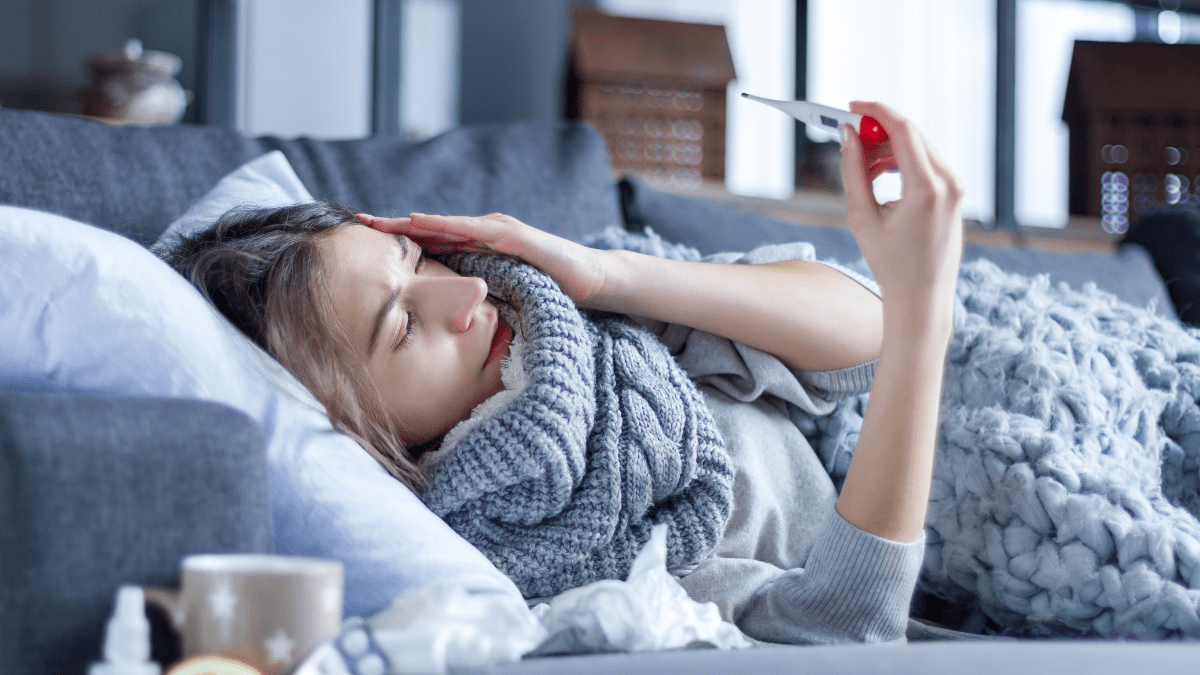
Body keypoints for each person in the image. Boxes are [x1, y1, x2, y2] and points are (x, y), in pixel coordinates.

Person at [168, 102, 965, 644]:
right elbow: (844, 632)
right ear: (352, 426)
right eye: (404, 325)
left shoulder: (563, 313)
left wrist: (607, 275)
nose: (466, 291)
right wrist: (923, 312)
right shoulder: (555, 560)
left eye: (416, 260)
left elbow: (867, 334)